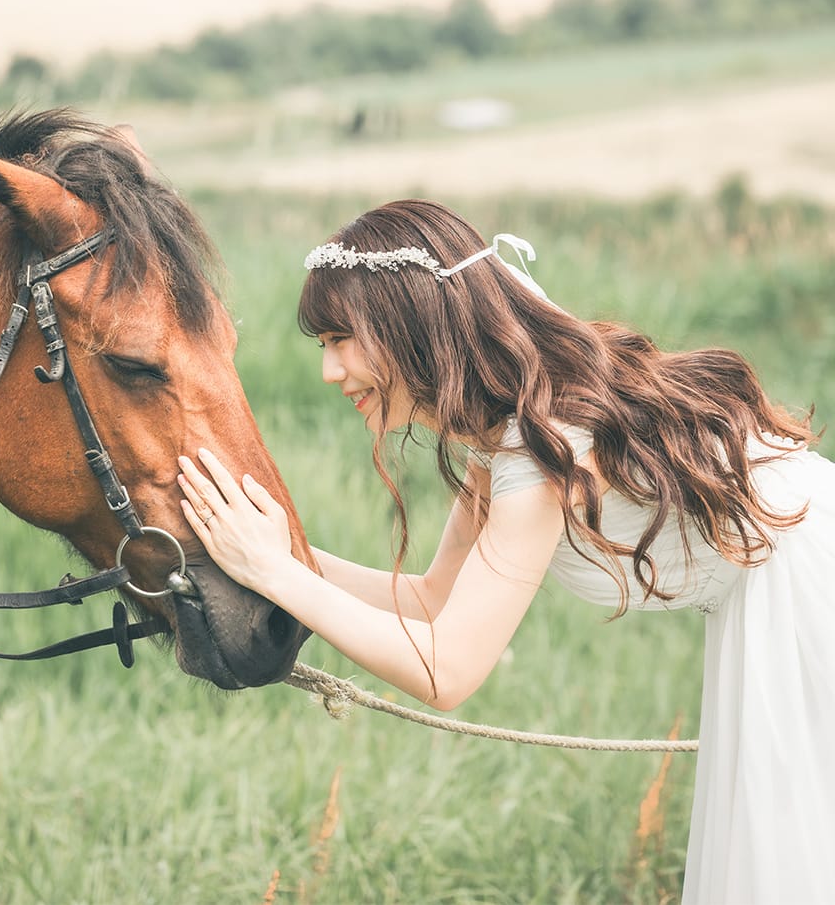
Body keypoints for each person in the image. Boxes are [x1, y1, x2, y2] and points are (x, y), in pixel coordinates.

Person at [176, 198, 835, 905]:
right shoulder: (506, 421)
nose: (330, 371)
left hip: (806, 594)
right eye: (322, 345)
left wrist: (273, 569)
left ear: (409, 322)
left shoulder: (543, 439)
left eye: (342, 338)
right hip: (777, 592)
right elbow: (432, 600)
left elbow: (448, 667)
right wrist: (284, 554)